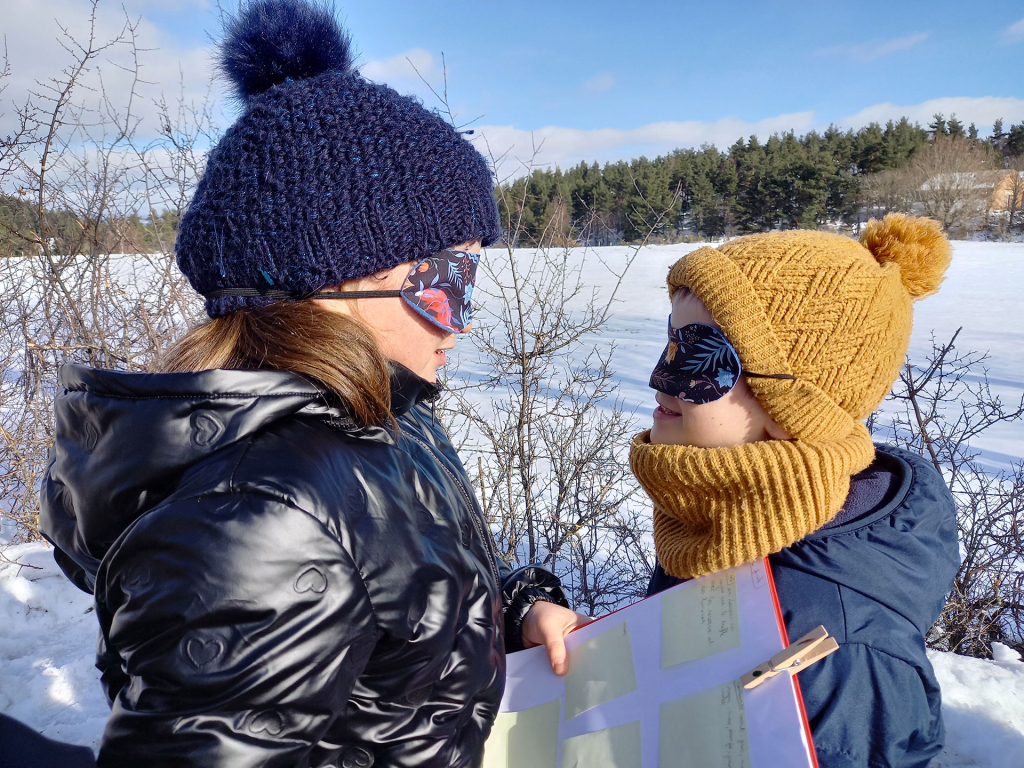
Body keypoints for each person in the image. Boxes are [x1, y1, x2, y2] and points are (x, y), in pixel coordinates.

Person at [38, 1, 588, 765]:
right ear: (324, 287)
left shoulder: (384, 409)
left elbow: (400, 579)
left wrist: (515, 609)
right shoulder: (258, 519)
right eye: (442, 280)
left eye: (470, 278)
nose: (459, 319)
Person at [632, 214, 960, 768]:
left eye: (698, 355)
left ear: (792, 409)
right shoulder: (727, 521)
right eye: (670, 341)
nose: (660, 376)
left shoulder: (840, 650)